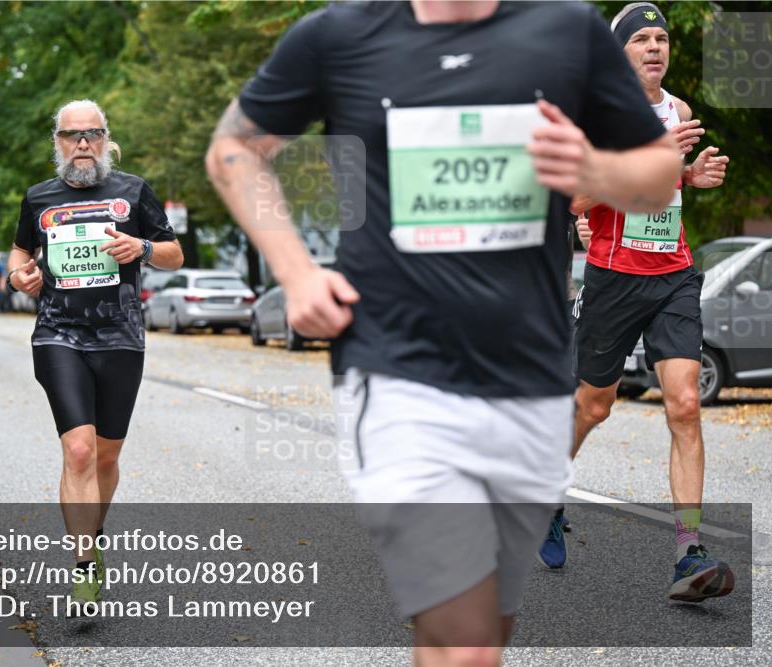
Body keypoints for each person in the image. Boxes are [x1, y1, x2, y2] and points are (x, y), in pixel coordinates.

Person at [206, 1, 681, 663]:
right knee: (467, 640)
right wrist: (296, 271)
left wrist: (594, 172)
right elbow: (236, 147)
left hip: (532, 376)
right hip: (396, 367)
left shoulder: (567, 30)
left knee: (476, 629)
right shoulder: (338, 35)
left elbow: (659, 172)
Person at [543, 2, 734, 603]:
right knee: (593, 407)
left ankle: (688, 553)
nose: (655, 47)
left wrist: (689, 178)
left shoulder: (678, 110)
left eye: (662, 38)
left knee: (684, 406)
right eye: (641, 40)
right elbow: (575, 200)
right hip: (613, 277)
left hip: (673, 274)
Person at [8, 99, 183, 609]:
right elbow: (20, 253)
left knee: (106, 454)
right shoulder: (39, 198)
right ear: (57, 143)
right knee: (79, 449)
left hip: (121, 336)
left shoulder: (133, 191)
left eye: (92, 133)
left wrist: (143, 249)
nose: (82, 143)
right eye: (71, 134)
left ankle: (95, 535)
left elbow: (174, 253)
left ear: (105, 139)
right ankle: (84, 562)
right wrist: (19, 275)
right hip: (58, 333)